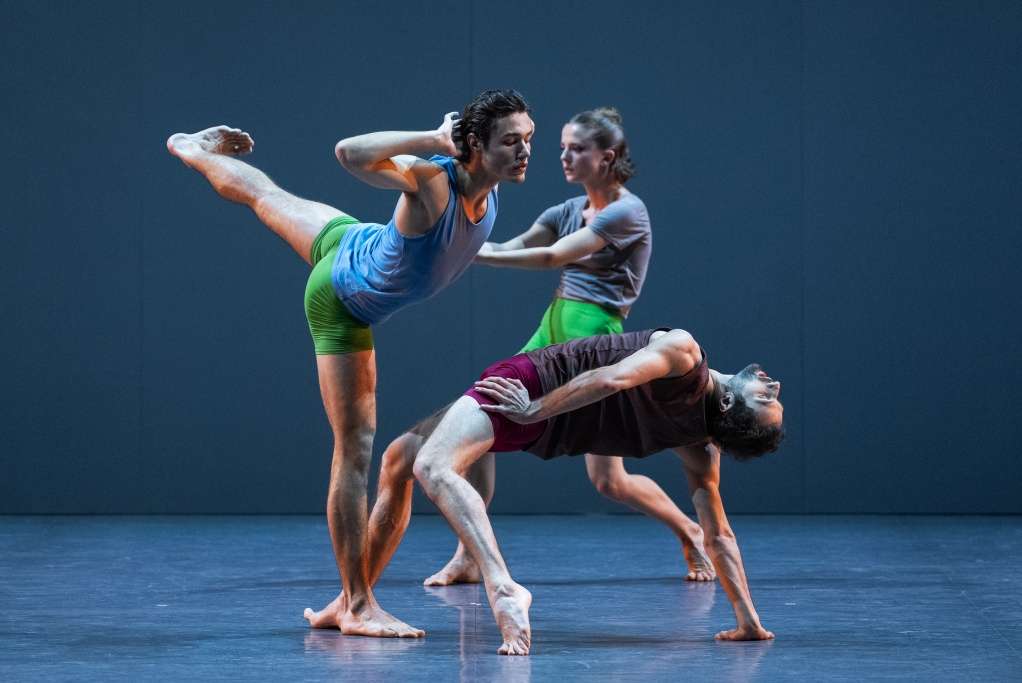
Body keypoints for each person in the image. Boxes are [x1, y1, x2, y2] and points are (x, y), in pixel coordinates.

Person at [166, 89, 534, 638]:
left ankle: (191, 149)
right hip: (341, 299)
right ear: (474, 146)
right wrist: (434, 139)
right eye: (511, 142)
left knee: (266, 195)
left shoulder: (491, 188)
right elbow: (350, 153)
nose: (525, 150)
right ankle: (357, 605)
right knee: (355, 449)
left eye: (528, 138)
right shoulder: (435, 182)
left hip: (354, 241)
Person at [306, 328, 784, 654]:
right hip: (547, 425)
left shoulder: (684, 352)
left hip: (532, 389)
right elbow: (718, 535)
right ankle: (353, 600)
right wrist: (748, 621)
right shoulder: (700, 448)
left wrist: (535, 408)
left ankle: (502, 585)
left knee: (431, 465)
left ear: (728, 403)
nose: (772, 384)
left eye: (767, 399)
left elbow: (610, 377)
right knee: (398, 460)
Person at [425, 108, 714, 588]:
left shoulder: (628, 211)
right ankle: (469, 555)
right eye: (561, 147)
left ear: (609, 157)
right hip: (553, 326)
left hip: (595, 338)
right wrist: (452, 242)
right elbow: (509, 243)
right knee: (485, 415)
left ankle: (691, 531)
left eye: (576, 149)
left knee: (608, 481)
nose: (563, 156)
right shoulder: (565, 210)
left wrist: (470, 255)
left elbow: (552, 256)